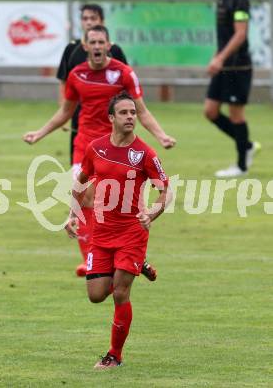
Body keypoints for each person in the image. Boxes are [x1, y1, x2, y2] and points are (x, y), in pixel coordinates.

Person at [23, 25, 176, 277]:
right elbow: (65, 111)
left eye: (100, 42)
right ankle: (91, 260)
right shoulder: (76, 75)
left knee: (110, 202)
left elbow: (142, 110)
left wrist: (161, 135)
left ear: (108, 45)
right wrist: (40, 133)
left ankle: (129, 254)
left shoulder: (123, 73)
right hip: (85, 146)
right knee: (85, 198)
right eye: (91, 42)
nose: (96, 47)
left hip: (117, 148)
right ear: (85, 46)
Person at [65, 92, 172, 368]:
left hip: (132, 232)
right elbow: (80, 181)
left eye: (133, 113)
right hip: (101, 233)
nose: (130, 117)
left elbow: (166, 192)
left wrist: (152, 213)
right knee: (96, 295)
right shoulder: (95, 148)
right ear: (111, 118)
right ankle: (138, 266)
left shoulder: (145, 153)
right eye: (124, 113)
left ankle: (115, 355)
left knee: (122, 293)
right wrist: (72, 214)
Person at [56, 3, 127, 165]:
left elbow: (126, 87)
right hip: (80, 118)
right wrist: (63, 114)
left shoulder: (115, 51)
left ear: (102, 21)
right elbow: (64, 82)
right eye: (85, 18)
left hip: (109, 120)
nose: (88, 22)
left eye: (93, 18)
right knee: (80, 168)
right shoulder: (72, 49)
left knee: (111, 169)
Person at [204, 0, 260, 178]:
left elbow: (240, 34)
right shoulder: (222, 1)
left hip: (238, 68)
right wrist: (216, 57)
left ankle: (241, 166)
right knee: (210, 111)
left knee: (236, 115)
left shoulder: (240, 2)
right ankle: (247, 146)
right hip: (223, 67)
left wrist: (219, 59)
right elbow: (224, 37)